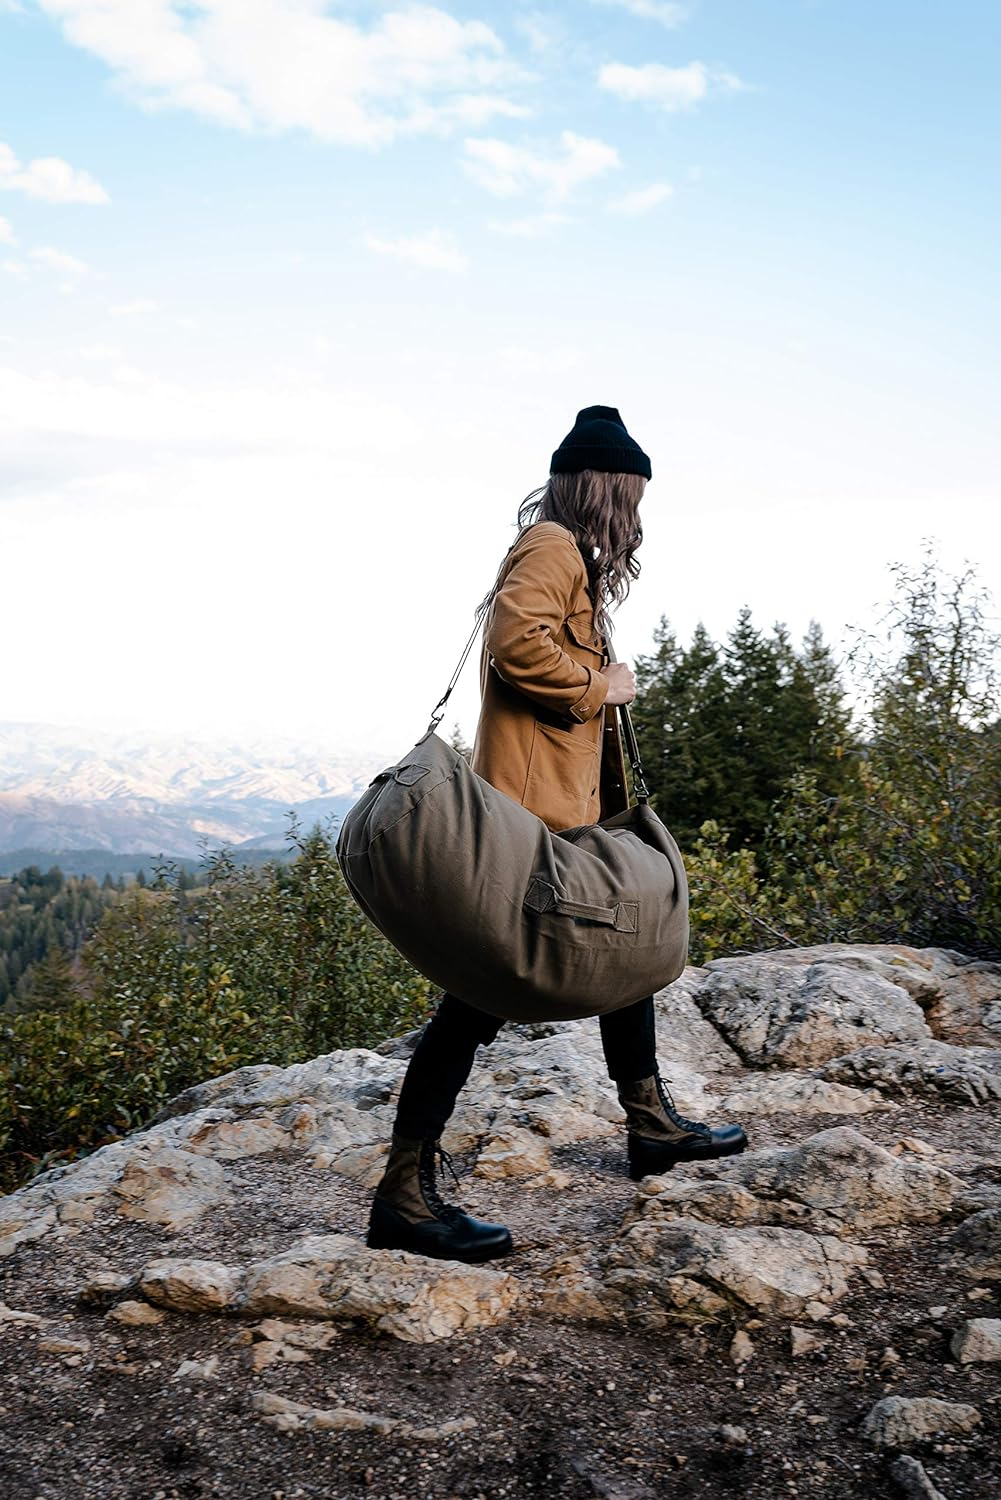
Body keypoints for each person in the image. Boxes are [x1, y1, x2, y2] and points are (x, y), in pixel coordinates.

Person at [366, 406, 748, 1265]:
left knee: (623, 943)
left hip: (562, 810)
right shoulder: (553, 547)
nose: (637, 510)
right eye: (633, 492)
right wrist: (600, 686)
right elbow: (515, 644)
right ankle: (402, 1196)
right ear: (608, 486)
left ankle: (650, 1127)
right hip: (529, 819)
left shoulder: (570, 553)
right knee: (475, 1001)